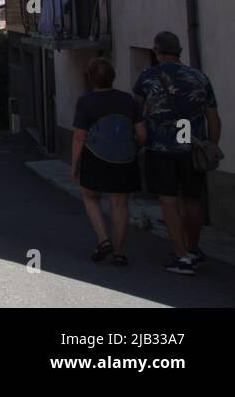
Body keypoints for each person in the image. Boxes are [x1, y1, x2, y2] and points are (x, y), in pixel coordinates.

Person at [132, 31, 222, 276]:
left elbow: (136, 111)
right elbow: (213, 117)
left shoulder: (148, 77)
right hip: (192, 149)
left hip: (160, 149)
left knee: (168, 202)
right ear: (179, 51)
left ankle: (181, 256)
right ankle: (193, 249)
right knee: (193, 201)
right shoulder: (199, 77)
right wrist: (210, 145)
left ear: (157, 51)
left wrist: (138, 140)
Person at [72, 57, 145, 266]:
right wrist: (133, 149)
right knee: (120, 204)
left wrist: (75, 164)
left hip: (95, 158)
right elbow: (142, 134)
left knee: (90, 196)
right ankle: (120, 252)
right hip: (125, 159)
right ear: (113, 77)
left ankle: (103, 239)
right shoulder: (127, 100)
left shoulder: (85, 102)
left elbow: (79, 137)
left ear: (92, 79)